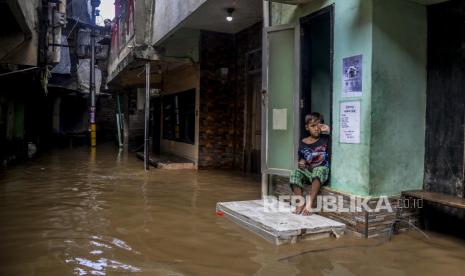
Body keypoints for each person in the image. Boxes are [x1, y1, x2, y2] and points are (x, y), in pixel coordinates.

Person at [290, 112, 330, 215]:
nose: (316, 129)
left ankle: (310, 204)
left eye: (319, 125)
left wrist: (329, 130)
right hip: (308, 172)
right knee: (294, 173)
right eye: (313, 126)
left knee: (318, 170)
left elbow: (340, 138)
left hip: (321, 173)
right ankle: (300, 203)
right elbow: (302, 158)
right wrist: (301, 162)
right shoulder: (303, 142)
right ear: (307, 127)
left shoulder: (326, 139)